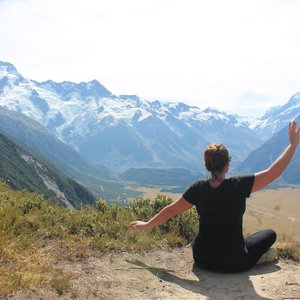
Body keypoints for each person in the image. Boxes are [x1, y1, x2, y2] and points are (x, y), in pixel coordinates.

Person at [128, 120, 300, 273]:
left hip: (203, 259)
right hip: (234, 262)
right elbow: (272, 173)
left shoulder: (198, 188)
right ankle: (260, 258)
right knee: (269, 233)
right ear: (228, 164)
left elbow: (171, 210)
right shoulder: (238, 185)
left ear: (207, 165)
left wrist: (146, 225)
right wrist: (292, 145)